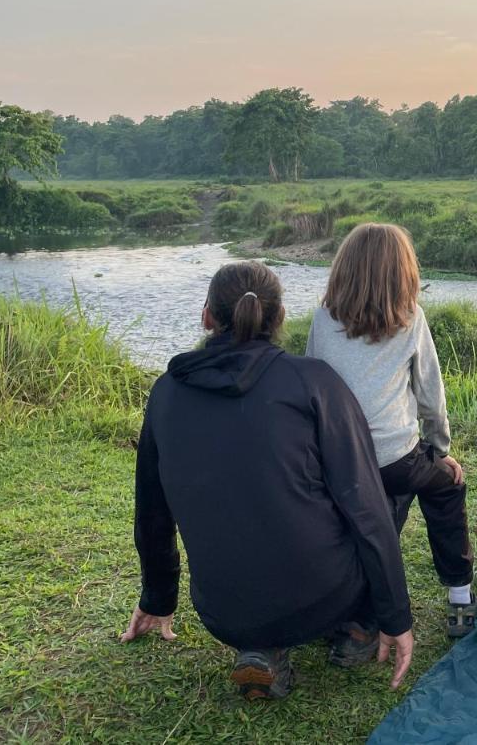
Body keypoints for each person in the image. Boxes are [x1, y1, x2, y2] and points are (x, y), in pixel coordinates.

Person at [121, 261, 414, 700]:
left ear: (207, 316)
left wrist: (158, 598)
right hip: (322, 598)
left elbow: (153, 510)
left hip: (221, 611)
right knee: (390, 493)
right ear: (278, 319)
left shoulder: (166, 391)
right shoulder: (315, 382)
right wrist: (397, 617)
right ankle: (360, 627)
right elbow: (364, 505)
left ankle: (260, 647)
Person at [306, 223, 476, 639]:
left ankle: (354, 620)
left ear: (344, 268)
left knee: (375, 514)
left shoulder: (323, 318)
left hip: (338, 460)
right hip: (397, 459)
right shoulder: (410, 318)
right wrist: (440, 449)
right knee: (447, 485)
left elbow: (310, 385)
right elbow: (430, 396)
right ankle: (459, 595)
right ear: (404, 273)